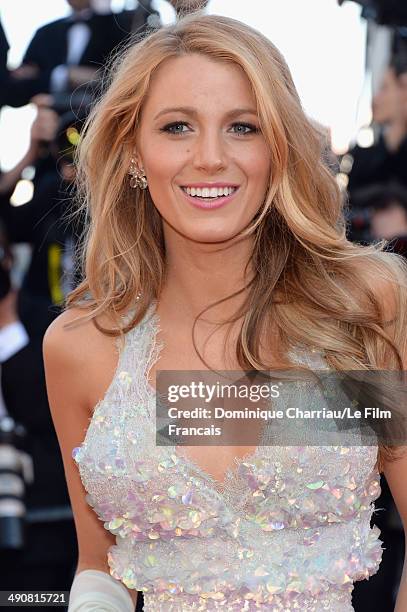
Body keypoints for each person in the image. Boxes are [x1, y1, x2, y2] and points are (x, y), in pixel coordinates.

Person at [43, 12, 407, 611]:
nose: (210, 157)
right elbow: (100, 565)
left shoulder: (364, 309)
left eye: (242, 127)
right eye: (178, 127)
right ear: (134, 151)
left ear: (279, 148)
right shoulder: (80, 347)